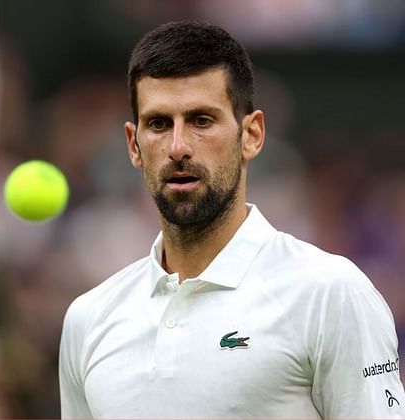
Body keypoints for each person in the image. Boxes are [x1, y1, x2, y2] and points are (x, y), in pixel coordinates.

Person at [58, 21, 405, 419]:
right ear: (133, 145)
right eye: (158, 124)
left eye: (201, 121)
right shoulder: (88, 318)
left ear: (252, 134)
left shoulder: (330, 293)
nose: (178, 147)